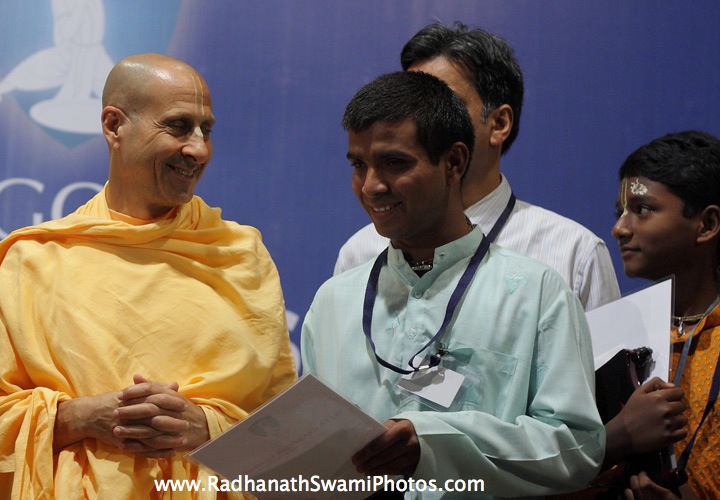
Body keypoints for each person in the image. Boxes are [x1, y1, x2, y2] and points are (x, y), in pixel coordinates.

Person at [0, 53, 297, 499]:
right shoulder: (34, 259)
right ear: (114, 126)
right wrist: (80, 417)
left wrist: (205, 426)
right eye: (178, 126)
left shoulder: (239, 254)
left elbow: (284, 434)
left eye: (206, 129)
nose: (199, 149)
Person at [301, 71, 604, 499]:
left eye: (395, 163)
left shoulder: (536, 291)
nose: (370, 186)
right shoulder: (334, 301)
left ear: (454, 163)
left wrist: (434, 441)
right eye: (358, 165)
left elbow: (576, 448)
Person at [333, 22, 620, 312]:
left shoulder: (574, 256)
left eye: (442, 103)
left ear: (499, 123)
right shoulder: (360, 253)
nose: (417, 122)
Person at [609, 130, 720, 499]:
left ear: (706, 225)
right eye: (620, 212)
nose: (620, 228)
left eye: (642, 209)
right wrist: (618, 436)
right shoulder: (610, 333)